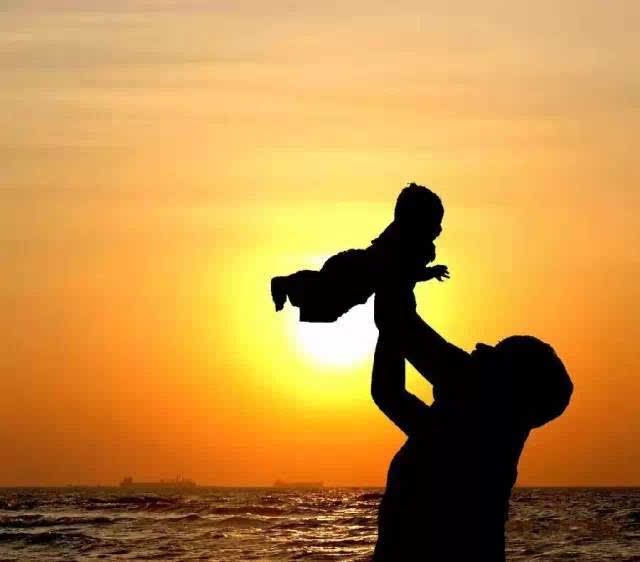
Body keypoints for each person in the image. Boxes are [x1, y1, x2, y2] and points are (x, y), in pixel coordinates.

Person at [371, 284, 573, 561]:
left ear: (506, 387)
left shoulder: (478, 418)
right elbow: (388, 392)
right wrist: (394, 294)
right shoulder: (457, 433)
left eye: (496, 353)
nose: (480, 348)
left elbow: (401, 325)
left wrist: (398, 277)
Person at [270, 183, 449, 322]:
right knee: (324, 293)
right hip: (351, 269)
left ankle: (287, 284)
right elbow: (404, 271)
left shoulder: (403, 241)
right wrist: (431, 272)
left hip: (353, 270)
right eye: (434, 224)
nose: (439, 230)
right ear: (416, 223)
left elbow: (405, 273)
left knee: (328, 307)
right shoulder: (398, 243)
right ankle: (285, 283)